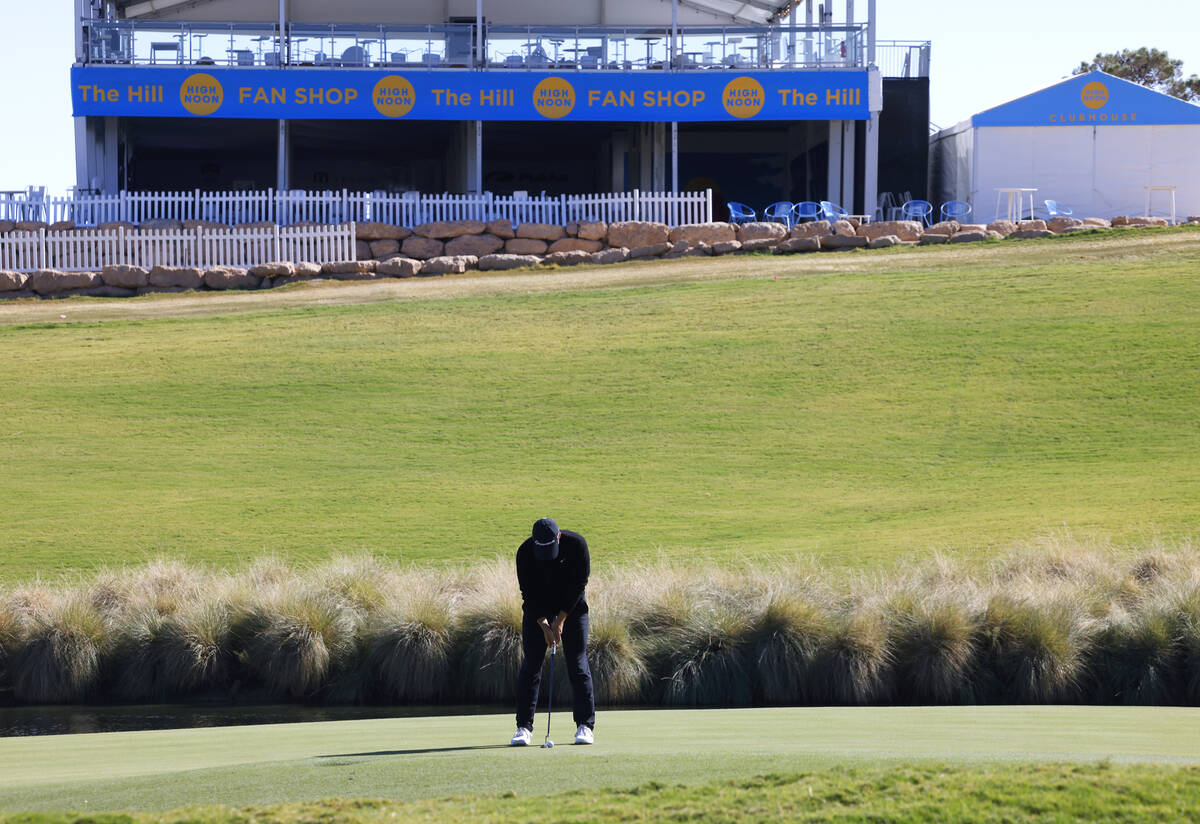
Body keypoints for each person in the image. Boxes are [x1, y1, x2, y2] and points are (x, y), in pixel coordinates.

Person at [510, 517, 595, 746]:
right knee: (531, 665)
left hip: (573, 608)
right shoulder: (525, 552)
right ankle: (523, 728)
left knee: (577, 663)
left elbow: (580, 584)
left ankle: (585, 726)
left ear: (558, 538)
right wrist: (545, 624)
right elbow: (527, 594)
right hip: (538, 610)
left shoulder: (577, 545)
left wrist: (561, 620)